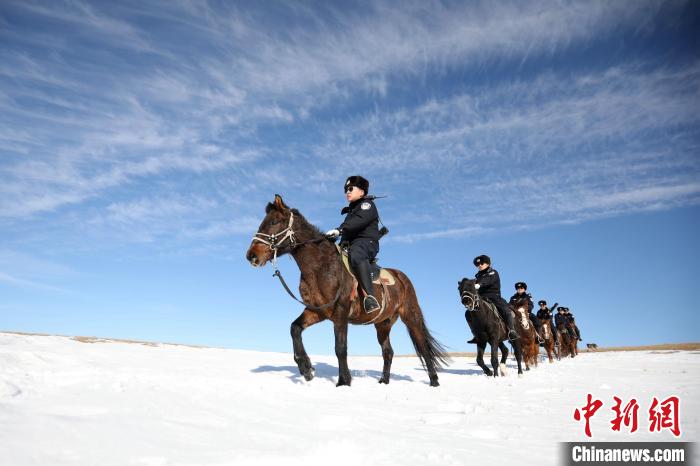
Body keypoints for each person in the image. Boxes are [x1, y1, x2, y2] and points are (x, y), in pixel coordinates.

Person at [325, 176, 381, 313]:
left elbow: (357, 223)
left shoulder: (367, 206)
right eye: (345, 190)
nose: (347, 192)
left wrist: (339, 230)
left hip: (367, 243)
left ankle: (370, 297)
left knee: (356, 254)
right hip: (350, 244)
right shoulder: (352, 210)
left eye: (350, 189)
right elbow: (348, 230)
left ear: (362, 192)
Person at [466, 255, 518, 343]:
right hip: (481, 298)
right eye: (478, 264)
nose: (480, 265)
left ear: (488, 264)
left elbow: (488, 280)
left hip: (494, 296)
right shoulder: (478, 277)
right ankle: (476, 334)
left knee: (506, 310)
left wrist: (479, 284)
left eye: (482, 263)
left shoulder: (493, 272)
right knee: (468, 313)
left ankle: (511, 331)